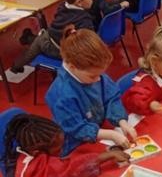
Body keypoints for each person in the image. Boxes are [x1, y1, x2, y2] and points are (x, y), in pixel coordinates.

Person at [46, 27, 137, 156]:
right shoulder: (62, 94)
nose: (98, 79)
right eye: (93, 76)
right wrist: (111, 134)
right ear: (72, 67)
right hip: (74, 145)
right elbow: (77, 129)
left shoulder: (92, 72)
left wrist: (122, 121)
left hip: (97, 134)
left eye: (101, 74)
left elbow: (111, 97)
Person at [0, 114, 129, 177]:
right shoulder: (34, 167)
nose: (62, 150)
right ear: (37, 152)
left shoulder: (30, 150)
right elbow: (66, 168)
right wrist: (106, 156)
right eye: (59, 148)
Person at [11, 0, 94, 73]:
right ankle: (28, 41)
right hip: (59, 46)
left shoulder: (62, 6)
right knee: (41, 40)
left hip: (60, 47)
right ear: (79, 2)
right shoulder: (84, 20)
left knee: (40, 41)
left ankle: (17, 64)